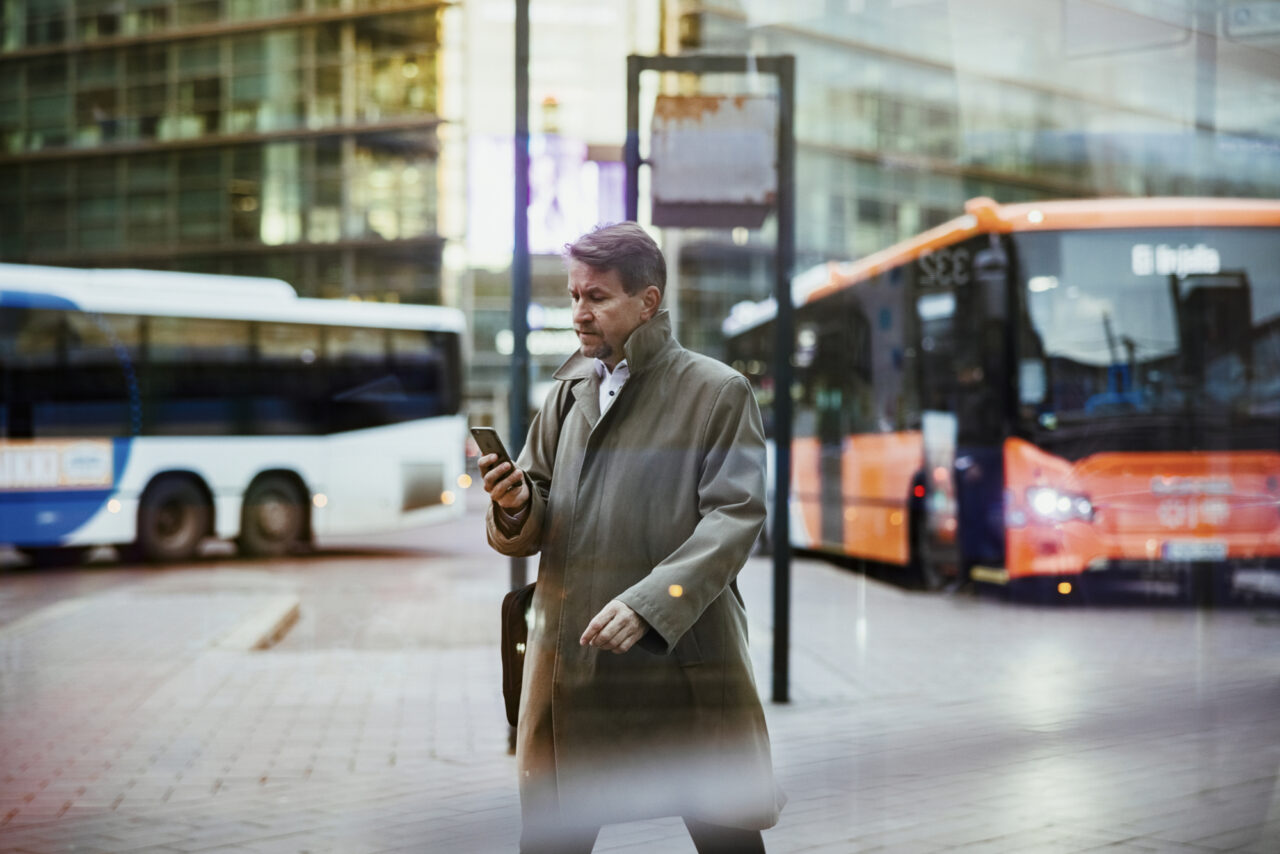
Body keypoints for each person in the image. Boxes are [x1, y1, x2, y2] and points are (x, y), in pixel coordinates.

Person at [480, 222, 783, 853]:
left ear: (648, 302)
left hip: (680, 662)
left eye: (597, 297)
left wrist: (651, 603)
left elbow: (735, 516)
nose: (580, 313)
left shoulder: (717, 390)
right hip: (575, 664)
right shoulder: (566, 392)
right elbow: (537, 513)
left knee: (726, 835)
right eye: (573, 297)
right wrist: (515, 504)